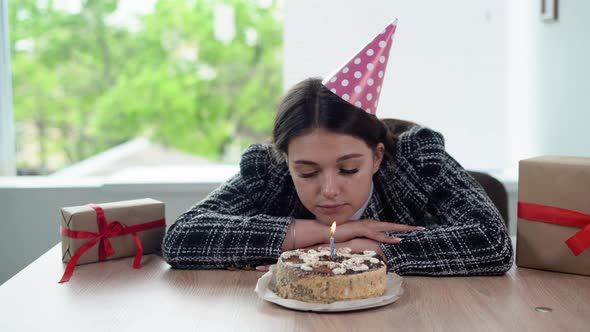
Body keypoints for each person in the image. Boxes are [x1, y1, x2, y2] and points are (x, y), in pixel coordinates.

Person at [162, 22, 513, 276]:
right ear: (287, 161)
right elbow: (181, 238)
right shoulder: (268, 172)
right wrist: (326, 234)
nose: (329, 190)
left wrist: (367, 249)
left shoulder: (417, 162)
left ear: (376, 156)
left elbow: (493, 243)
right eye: (308, 172)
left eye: (348, 169)